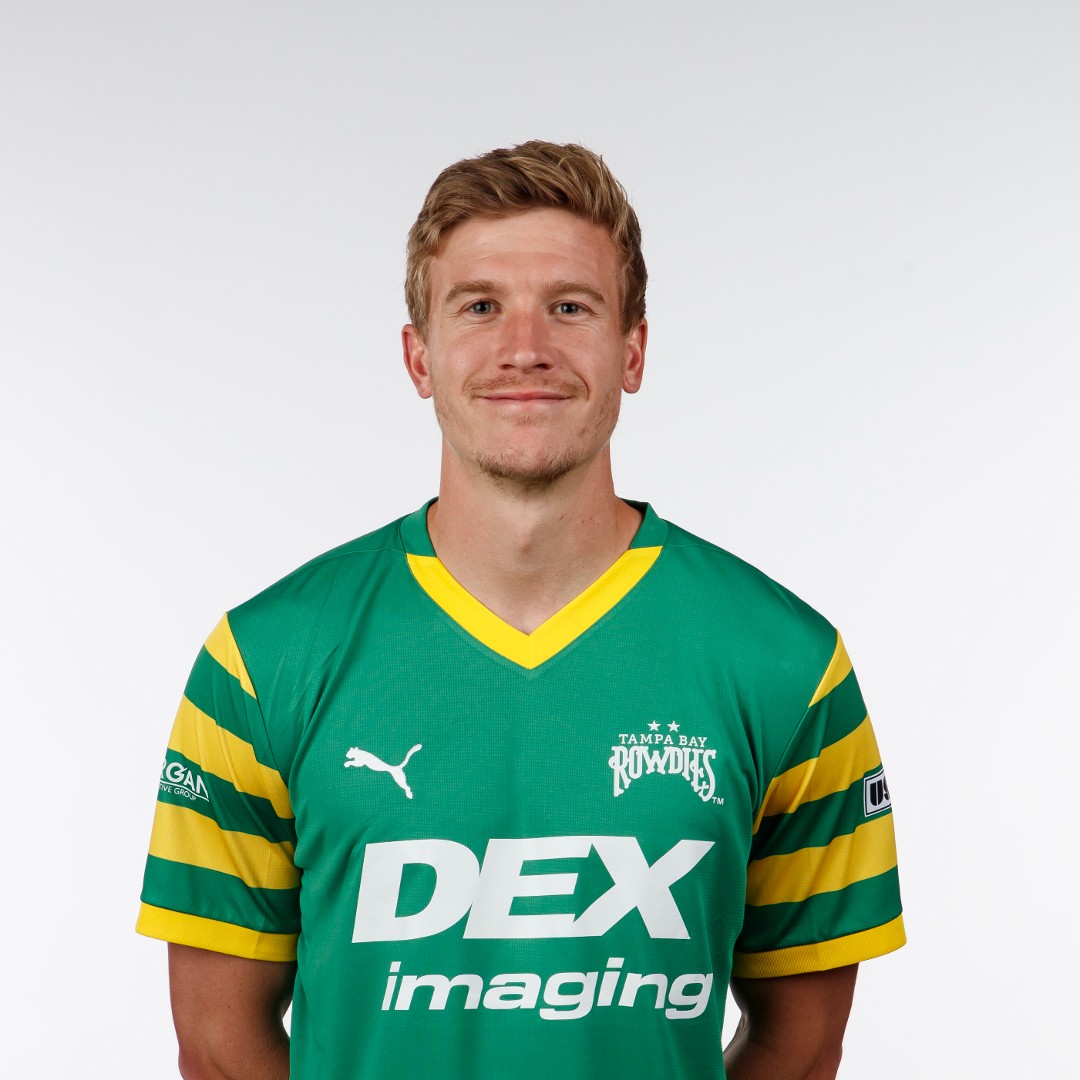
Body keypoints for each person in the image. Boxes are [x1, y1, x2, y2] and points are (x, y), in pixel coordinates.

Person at [138, 141, 904, 1079]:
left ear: (633, 351)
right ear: (419, 356)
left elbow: (804, 1046)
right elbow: (218, 1050)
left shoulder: (788, 665)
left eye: (570, 307)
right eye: (479, 307)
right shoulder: (262, 663)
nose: (525, 347)